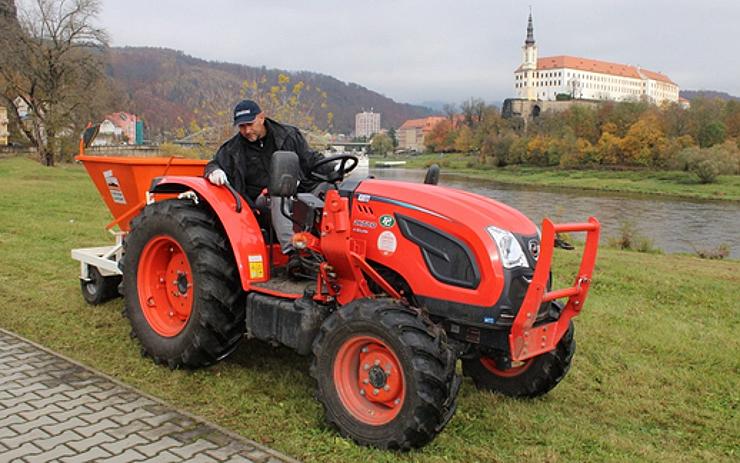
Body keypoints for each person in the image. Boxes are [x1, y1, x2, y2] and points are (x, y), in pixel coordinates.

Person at [204, 99, 325, 266]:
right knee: (279, 192)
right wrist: (213, 171)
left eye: (250, 124)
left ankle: (335, 249)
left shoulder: (288, 136)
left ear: (261, 118)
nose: (246, 130)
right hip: (261, 203)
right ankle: (293, 254)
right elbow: (214, 163)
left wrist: (333, 169)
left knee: (330, 190)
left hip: (297, 195)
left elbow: (310, 159)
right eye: (241, 127)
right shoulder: (233, 149)